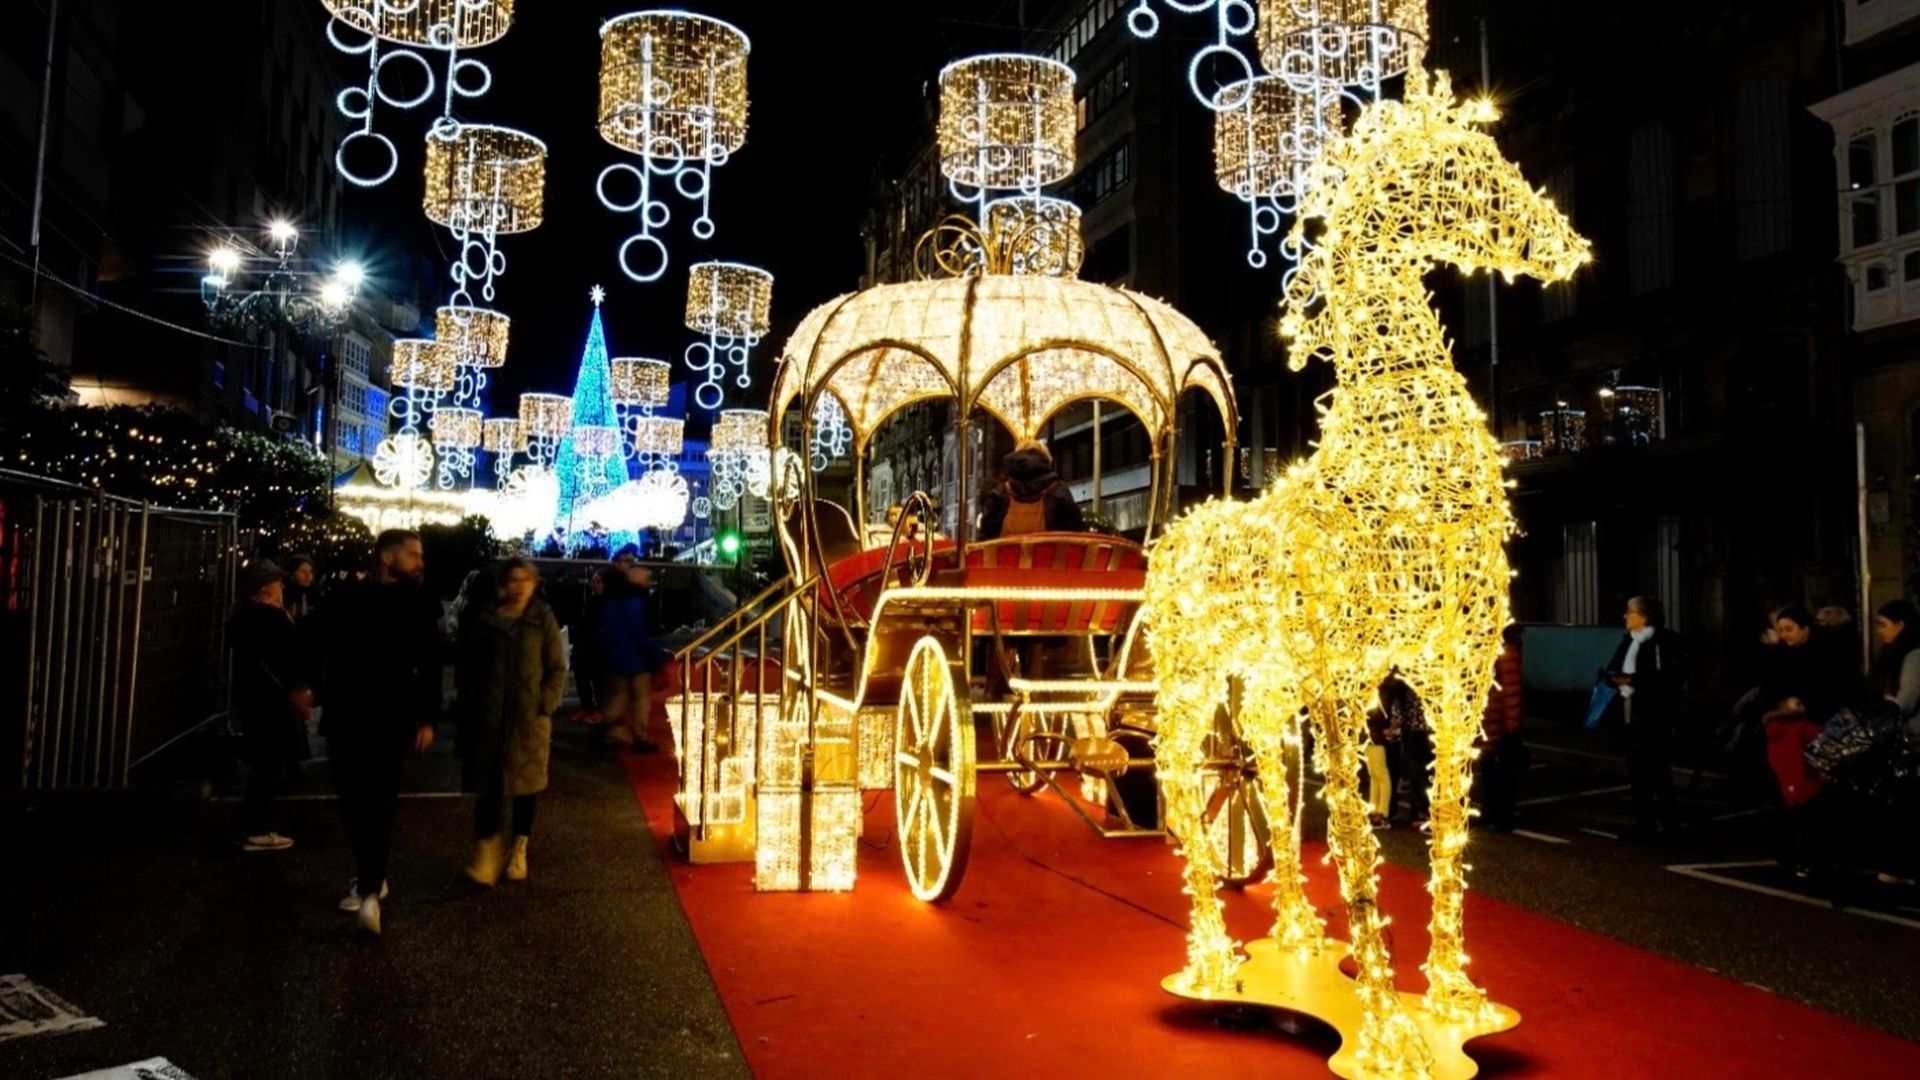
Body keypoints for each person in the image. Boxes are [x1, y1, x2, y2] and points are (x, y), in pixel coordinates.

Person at [318, 529, 442, 935]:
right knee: (353, 797)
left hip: (391, 715)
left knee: (380, 798)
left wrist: (426, 717)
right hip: (347, 712)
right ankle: (370, 874)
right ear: (387, 557)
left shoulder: (419, 603)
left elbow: (430, 662)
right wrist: (305, 687)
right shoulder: (347, 598)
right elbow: (324, 646)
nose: (420, 562)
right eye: (413, 555)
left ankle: (370, 888)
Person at [455, 559, 566, 886]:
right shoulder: (487, 620)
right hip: (490, 719)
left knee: (525, 787)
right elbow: (469, 668)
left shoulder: (541, 618)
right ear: (503, 583)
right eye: (513, 580)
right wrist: (471, 705)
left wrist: (545, 703)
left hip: (528, 719)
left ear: (534, 584)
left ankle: (519, 847)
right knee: (488, 787)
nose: (519, 586)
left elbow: (557, 667)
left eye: (525, 580)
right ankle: (487, 852)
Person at [229, 560, 309, 852]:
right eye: (278, 582)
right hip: (270, 698)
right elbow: (294, 652)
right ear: (264, 588)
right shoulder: (270, 619)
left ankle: (251, 823)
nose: (283, 586)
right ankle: (256, 827)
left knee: (263, 761)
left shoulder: (243, 617)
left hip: (253, 697)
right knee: (267, 762)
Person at [1607, 596, 1686, 840]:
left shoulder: (1660, 642)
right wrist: (1613, 678)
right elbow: (1614, 668)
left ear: (1644, 616)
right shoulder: (1627, 642)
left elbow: (1666, 680)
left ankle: (1670, 826)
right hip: (1630, 715)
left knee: (1659, 773)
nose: (1625, 616)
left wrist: (1632, 681)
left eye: (1630, 611)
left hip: (1654, 717)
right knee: (1637, 774)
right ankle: (1644, 823)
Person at [600, 561, 667, 752]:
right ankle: (640, 738)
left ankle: (607, 728)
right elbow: (643, 633)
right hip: (638, 659)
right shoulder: (637, 602)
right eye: (647, 580)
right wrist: (656, 657)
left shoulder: (612, 600)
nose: (649, 583)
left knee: (619, 696)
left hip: (617, 657)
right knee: (641, 700)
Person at [1760, 604, 1864, 724]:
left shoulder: (1828, 649)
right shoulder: (1786, 650)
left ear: (1805, 628)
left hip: (1833, 715)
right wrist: (1784, 701)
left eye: (1789, 630)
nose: (1784, 635)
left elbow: (1831, 688)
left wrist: (1803, 703)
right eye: (1781, 631)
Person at [977, 440, 1084, 541]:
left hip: (1008, 558)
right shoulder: (1059, 490)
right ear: (1046, 461)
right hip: (1050, 558)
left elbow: (986, 537)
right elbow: (1075, 534)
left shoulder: (999, 493)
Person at [1477, 624, 1526, 832]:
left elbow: (1511, 691)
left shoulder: (1505, 654)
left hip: (1498, 721)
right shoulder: (1494, 652)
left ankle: (1503, 815)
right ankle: (1492, 811)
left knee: (1500, 771)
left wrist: (1511, 727)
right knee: (1489, 769)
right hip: (1489, 718)